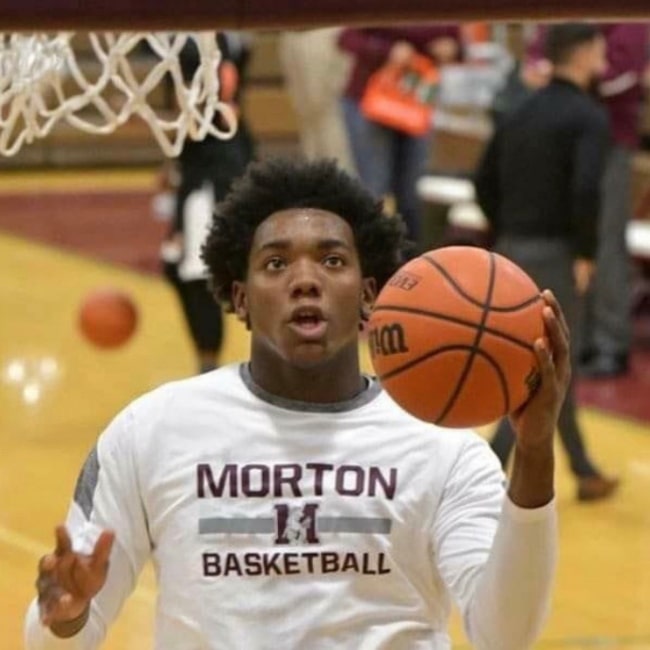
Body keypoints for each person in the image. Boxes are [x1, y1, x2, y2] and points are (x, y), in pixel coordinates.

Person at [26, 157, 566, 649]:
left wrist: (536, 450)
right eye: (276, 264)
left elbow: (505, 635)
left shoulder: (446, 450)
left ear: (369, 295)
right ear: (241, 298)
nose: (305, 280)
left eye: (332, 261)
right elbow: (51, 634)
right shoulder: (150, 430)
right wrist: (68, 615)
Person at [474, 24, 619, 502]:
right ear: (585, 54)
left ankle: (583, 470)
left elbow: (483, 180)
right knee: (548, 366)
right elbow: (585, 190)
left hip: (512, 250)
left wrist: (506, 229)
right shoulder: (588, 117)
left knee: (543, 363)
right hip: (557, 253)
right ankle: (487, 468)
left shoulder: (518, 109)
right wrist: (584, 252)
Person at [522, 23, 650, 378]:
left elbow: (625, 74)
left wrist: (559, 76)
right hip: (560, 136)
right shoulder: (563, 14)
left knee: (606, 243)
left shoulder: (627, 17)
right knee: (572, 238)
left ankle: (611, 344)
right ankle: (578, 339)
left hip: (610, 139)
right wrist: (547, 71)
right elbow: (536, 53)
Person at [161, 31, 256, 373]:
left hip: (212, 178)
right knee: (180, 268)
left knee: (195, 276)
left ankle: (209, 366)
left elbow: (190, 115)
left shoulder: (194, 49)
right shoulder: (226, 41)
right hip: (215, 167)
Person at [338, 26, 462, 247]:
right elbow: (346, 38)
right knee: (375, 191)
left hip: (417, 104)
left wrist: (453, 49)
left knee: (412, 195)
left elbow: (456, 39)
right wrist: (387, 51)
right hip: (369, 103)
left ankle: (412, 261)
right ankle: (374, 260)